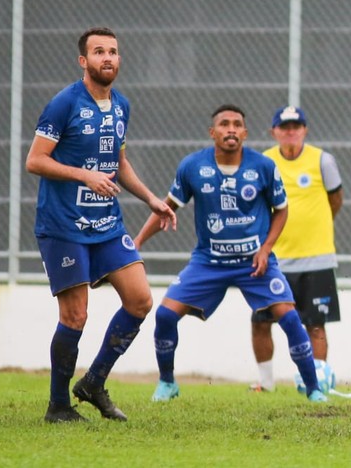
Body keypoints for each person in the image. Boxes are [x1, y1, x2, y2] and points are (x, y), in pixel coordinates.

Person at [27, 26, 177, 423]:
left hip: (107, 223)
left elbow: (119, 162)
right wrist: (83, 175)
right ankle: (58, 405)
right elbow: (35, 161)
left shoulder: (122, 105)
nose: (107, 58)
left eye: (112, 51)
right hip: (64, 224)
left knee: (141, 300)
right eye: (98, 52)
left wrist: (151, 199)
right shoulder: (64, 103)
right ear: (84, 61)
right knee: (75, 316)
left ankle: (93, 382)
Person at [133, 104, 326, 403]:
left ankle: (314, 390)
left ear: (245, 133)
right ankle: (167, 382)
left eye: (237, 124)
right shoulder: (193, 166)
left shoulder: (262, 166)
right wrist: (138, 242)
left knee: (289, 318)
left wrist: (266, 248)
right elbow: (166, 206)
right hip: (209, 262)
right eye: (224, 124)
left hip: (255, 262)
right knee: (165, 315)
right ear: (213, 132)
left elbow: (282, 209)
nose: (231, 129)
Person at [247, 106, 343, 392]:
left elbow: (335, 200)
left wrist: (314, 227)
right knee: (261, 322)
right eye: (284, 127)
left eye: (296, 127)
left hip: (317, 260)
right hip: (274, 260)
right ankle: (266, 382)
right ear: (274, 132)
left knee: (315, 325)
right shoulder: (264, 162)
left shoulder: (323, 160)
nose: (290, 132)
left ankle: (317, 384)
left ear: (304, 130)